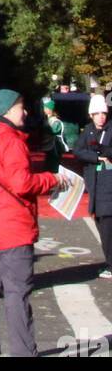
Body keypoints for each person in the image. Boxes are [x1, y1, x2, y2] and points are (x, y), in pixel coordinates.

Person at [0, 89, 70, 357]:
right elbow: (21, 183)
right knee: (17, 293)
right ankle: (24, 352)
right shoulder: (10, 140)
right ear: (5, 110)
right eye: (20, 107)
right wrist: (52, 180)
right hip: (13, 226)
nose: (24, 112)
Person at [73, 94, 112, 279]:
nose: (101, 117)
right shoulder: (87, 130)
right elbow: (77, 150)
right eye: (97, 113)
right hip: (94, 184)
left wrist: (105, 152)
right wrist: (95, 156)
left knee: (107, 226)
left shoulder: (111, 129)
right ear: (91, 115)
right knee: (100, 223)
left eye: (103, 113)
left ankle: (111, 265)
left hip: (108, 184)